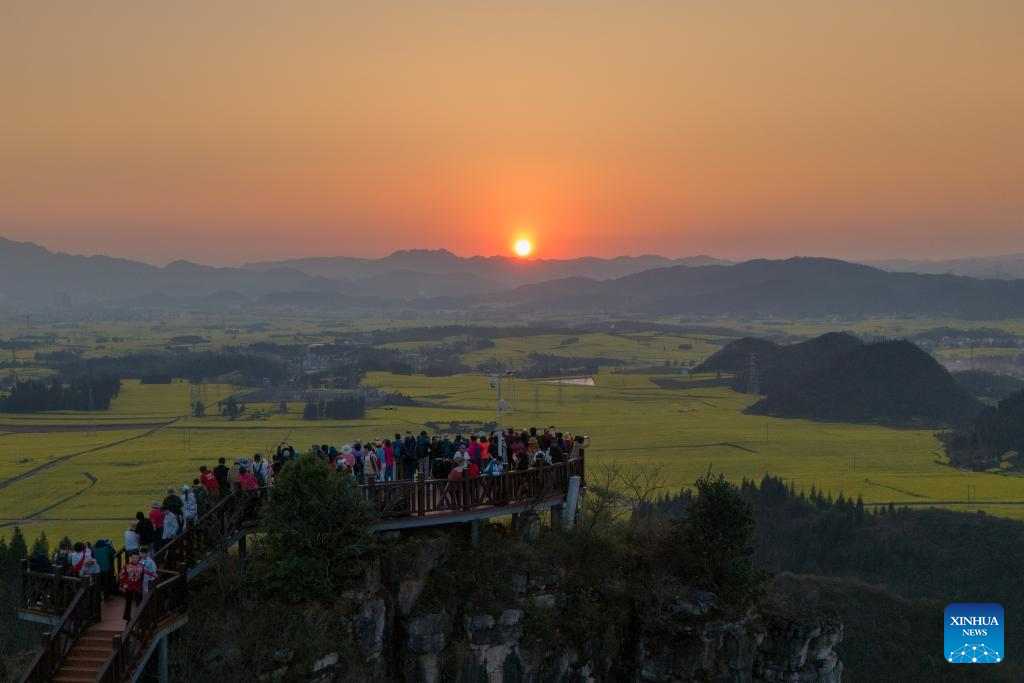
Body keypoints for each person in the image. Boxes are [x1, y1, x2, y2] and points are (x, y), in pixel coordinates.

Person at [118, 552, 146, 623]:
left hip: (138, 586)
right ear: (131, 558)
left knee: (139, 602)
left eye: (136, 558)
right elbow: (121, 575)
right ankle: (127, 618)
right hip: (129, 586)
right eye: (133, 558)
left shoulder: (142, 566)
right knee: (128, 602)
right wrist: (123, 584)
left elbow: (144, 576)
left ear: (139, 558)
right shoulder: (126, 566)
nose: (135, 559)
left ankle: (140, 616)